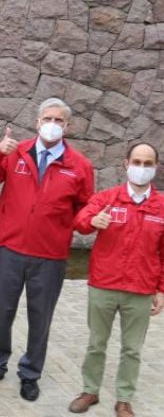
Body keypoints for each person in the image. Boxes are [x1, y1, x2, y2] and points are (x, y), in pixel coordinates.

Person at [0, 97, 94, 401]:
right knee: (2, 311)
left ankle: (30, 373)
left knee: (41, 316)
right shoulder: (16, 152)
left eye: (59, 120)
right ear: (37, 122)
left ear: (68, 126)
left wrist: (88, 222)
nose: (53, 125)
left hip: (50, 255)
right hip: (9, 249)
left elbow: (85, 208)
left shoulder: (80, 166)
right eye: (48, 119)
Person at [67, 143, 163, 417]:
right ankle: (90, 390)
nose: (141, 168)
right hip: (104, 285)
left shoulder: (161, 207)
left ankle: (124, 398)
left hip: (140, 289)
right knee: (97, 342)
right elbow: (81, 220)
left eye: (147, 163)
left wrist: (162, 290)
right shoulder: (107, 198)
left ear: (155, 167)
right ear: (126, 164)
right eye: (137, 161)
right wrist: (92, 220)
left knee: (132, 349)